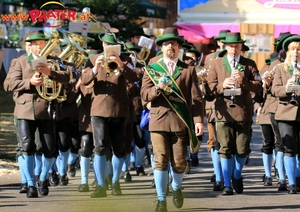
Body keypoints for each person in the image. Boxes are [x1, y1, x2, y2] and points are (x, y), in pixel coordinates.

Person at [140, 27, 204, 212]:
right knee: (160, 160)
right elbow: (144, 95)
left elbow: (196, 98)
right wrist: (157, 88)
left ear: (179, 47)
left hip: (180, 121)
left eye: (174, 43)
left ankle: (176, 188)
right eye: (167, 43)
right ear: (161, 46)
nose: (171, 46)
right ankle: (161, 199)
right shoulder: (152, 67)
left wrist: (198, 120)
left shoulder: (188, 69)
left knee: (179, 162)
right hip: (158, 120)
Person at [8, 30, 70, 197]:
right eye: (33, 44)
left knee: (49, 149)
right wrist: (30, 82)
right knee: (27, 147)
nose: (36, 47)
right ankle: (30, 184)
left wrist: (51, 73)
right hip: (25, 110)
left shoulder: (54, 61)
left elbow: (67, 77)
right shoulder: (20, 61)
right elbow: (9, 84)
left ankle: (42, 178)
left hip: (47, 110)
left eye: (40, 43)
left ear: (44, 44)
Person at [81, 28, 138, 198]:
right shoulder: (91, 60)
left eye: (113, 44)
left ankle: (115, 182)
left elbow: (135, 79)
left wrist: (121, 65)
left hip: (119, 109)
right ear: (103, 44)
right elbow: (83, 81)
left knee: (118, 149)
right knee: (99, 148)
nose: (109, 47)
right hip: (98, 110)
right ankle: (100, 185)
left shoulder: (126, 60)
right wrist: (95, 69)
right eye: (107, 44)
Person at [207, 32, 262, 195]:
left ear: (241, 47)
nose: (234, 49)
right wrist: (222, 85)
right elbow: (209, 90)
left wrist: (243, 81)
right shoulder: (216, 63)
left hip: (243, 112)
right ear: (225, 47)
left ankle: (237, 175)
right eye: (231, 46)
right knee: (225, 149)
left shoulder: (249, 64)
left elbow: (259, 86)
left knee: (243, 149)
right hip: (222, 113)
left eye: (236, 46)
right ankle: (227, 183)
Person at [271, 35, 300, 194]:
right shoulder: (281, 68)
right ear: (288, 51)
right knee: (289, 148)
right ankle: (292, 183)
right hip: (285, 113)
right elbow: (275, 90)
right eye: (293, 49)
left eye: (299, 49)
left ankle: (298, 176)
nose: (296, 52)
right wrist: (287, 88)